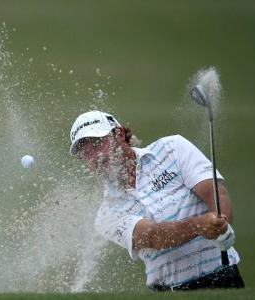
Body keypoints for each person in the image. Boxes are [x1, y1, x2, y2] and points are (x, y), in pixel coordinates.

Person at [69, 110, 245, 291]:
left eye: (98, 144)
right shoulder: (107, 213)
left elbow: (213, 191)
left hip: (224, 278)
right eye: (85, 152)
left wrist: (222, 224)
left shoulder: (172, 148)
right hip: (169, 291)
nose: (94, 157)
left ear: (119, 135)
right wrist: (198, 225)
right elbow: (152, 236)